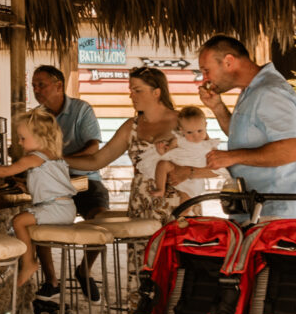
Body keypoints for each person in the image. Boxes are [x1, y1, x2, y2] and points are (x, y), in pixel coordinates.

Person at [194, 35, 296, 220]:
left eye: (207, 70)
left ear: (229, 61)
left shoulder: (270, 91)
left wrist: (232, 157)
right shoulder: (251, 90)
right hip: (257, 213)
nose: (205, 78)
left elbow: (293, 150)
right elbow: (240, 137)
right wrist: (217, 107)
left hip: (278, 216)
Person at [67, 66, 186, 219]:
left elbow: (210, 161)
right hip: (141, 207)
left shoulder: (183, 121)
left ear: (156, 92)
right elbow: (96, 161)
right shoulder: (131, 126)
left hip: (179, 207)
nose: (131, 96)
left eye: (137, 90)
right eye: (131, 90)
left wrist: (189, 172)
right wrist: (58, 159)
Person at [0, 109, 78, 292]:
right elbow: (47, 185)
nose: (19, 142)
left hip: (55, 208)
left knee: (19, 221)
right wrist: (27, 186)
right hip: (64, 207)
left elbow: (5, 171)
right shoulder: (52, 157)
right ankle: (30, 261)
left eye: (22, 138)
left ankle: (29, 263)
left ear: (40, 137)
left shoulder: (34, 158)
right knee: (26, 223)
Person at [31, 65, 108, 217]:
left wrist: (61, 161)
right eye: (33, 86)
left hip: (82, 179)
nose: (36, 90)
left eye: (41, 85)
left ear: (59, 86)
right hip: (51, 181)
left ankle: (98, 237)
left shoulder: (81, 110)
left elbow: (93, 148)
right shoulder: (36, 117)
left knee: (98, 215)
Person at [146, 105, 221, 206]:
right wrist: (161, 151)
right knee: (162, 164)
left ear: (205, 125)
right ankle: (160, 189)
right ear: (182, 130)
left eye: (200, 131)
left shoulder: (209, 145)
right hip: (174, 167)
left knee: (186, 200)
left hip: (193, 178)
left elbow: (218, 165)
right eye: (189, 132)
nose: (195, 135)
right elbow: (168, 154)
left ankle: (183, 217)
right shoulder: (178, 140)